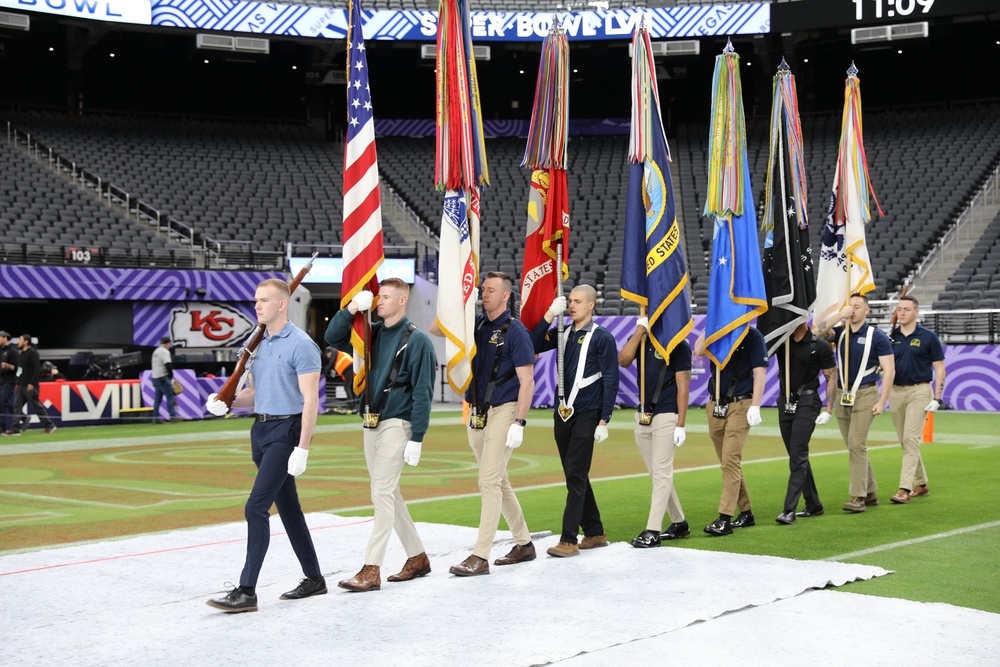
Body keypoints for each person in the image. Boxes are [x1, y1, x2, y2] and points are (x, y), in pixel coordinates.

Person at [203, 278, 325, 613]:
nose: (257, 306)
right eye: (256, 300)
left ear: (282, 304)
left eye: (264, 301)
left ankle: (246, 591)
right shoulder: (257, 344)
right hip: (260, 430)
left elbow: (311, 401)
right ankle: (314, 579)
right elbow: (254, 394)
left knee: (255, 508)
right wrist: (226, 402)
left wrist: (303, 447)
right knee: (288, 509)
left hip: (287, 432)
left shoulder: (302, 345)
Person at [326, 278, 437, 592]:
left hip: (397, 423)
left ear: (402, 301)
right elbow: (332, 337)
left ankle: (371, 568)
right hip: (371, 420)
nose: (379, 302)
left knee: (381, 495)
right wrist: (351, 309)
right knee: (390, 494)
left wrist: (418, 436)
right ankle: (417, 557)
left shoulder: (417, 341)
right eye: (378, 297)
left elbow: (423, 392)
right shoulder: (370, 333)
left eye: (386, 297)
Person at [431, 271, 537, 576]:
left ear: (505, 296)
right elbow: (435, 328)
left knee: (488, 481)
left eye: (490, 290)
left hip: (504, 409)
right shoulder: (473, 323)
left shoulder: (516, 331)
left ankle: (480, 555)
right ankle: (524, 543)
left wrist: (520, 421)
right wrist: (457, 303)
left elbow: (526, 382)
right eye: (482, 289)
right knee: (498, 480)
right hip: (477, 411)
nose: (484, 294)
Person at [531, 285, 619, 558]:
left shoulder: (602, 337)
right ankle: (595, 532)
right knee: (574, 474)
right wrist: (548, 315)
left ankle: (569, 539)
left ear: (591, 305)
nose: (571, 305)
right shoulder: (562, 333)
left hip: (587, 412)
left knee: (576, 474)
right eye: (569, 301)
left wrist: (604, 419)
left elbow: (611, 379)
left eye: (577, 301)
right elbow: (531, 346)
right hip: (563, 413)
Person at [814, 293, 895, 513]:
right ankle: (869, 492)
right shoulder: (839, 333)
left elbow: (889, 370)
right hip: (843, 394)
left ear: (867, 311)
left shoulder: (877, 337)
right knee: (853, 446)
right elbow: (818, 331)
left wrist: (882, 401)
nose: (853, 310)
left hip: (866, 394)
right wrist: (839, 315)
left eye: (857, 307)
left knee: (857, 444)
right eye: (851, 307)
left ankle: (857, 496)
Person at [618, 317, 692, 548]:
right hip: (643, 415)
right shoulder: (641, 339)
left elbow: (683, 386)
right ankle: (679, 522)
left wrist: (681, 423)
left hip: (667, 414)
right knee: (656, 474)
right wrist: (639, 331)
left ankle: (653, 530)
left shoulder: (679, 344)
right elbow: (623, 360)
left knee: (661, 473)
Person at [694, 327, 767, 536]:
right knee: (728, 463)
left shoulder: (753, 336)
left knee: (729, 461)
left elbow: (759, 371)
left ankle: (724, 518)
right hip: (716, 404)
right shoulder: (717, 332)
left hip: (741, 404)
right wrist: (712, 326)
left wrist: (756, 405)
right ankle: (746, 512)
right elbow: (699, 350)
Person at [773, 322, 837, 525]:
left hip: (807, 402)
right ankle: (814, 504)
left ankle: (789, 509)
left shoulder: (820, 346)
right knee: (796, 454)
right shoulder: (781, 342)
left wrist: (829, 409)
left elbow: (831, 377)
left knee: (798, 453)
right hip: (785, 401)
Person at [888, 295, 945, 504]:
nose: (902, 313)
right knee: (905, 441)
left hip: (919, 391)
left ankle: (904, 488)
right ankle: (921, 483)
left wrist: (938, 398)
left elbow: (940, 369)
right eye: (899, 309)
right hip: (895, 392)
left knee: (911, 439)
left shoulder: (929, 337)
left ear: (916, 312)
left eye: (906, 309)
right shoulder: (890, 337)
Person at [9, 335, 57, 436]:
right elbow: (20, 368)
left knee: (37, 406)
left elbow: (36, 369)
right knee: (16, 407)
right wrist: (17, 380)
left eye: (20, 340)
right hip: (21, 384)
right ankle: (15, 429)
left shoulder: (32, 352)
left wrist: (32, 383)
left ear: (26, 342)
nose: (18, 342)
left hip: (29, 385)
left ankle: (49, 425)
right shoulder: (22, 353)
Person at [151, 336, 179, 423]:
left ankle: (155, 418)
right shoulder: (164, 352)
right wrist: (171, 375)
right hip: (162, 376)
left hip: (155, 377)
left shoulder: (156, 351)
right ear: (167, 343)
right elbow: (168, 364)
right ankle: (172, 416)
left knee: (157, 399)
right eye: (169, 344)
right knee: (170, 396)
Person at [0, 331, 18, 436]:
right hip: (1, 380)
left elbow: (19, 368)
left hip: (9, 381)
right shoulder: (1, 351)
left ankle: (2, 427)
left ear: (5, 338)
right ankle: (22, 417)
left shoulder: (12, 351)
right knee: (4, 403)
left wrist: (10, 367)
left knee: (2, 404)